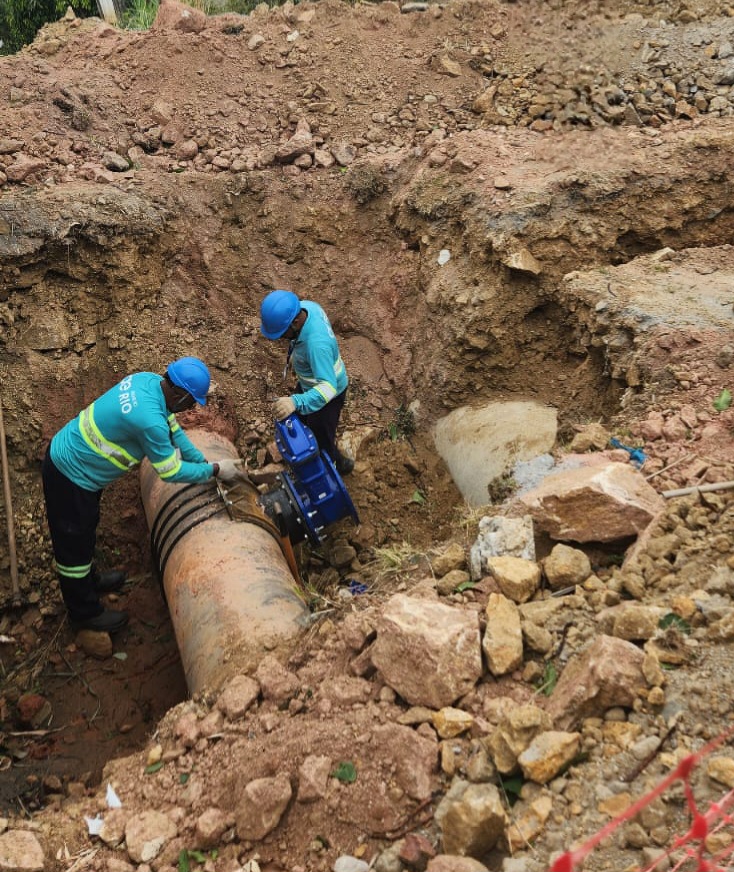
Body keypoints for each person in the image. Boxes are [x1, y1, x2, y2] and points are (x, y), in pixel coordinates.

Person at [42, 357, 245, 634]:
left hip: (81, 467)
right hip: (71, 475)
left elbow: (173, 427)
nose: (191, 408)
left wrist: (199, 460)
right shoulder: (149, 422)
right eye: (191, 401)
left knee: (85, 530)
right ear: (179, 393)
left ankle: (90, 582)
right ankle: (84, 612)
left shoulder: (148, 381)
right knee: (73, 545)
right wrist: (216, 470)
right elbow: (170, 471)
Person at [260, 290, 354, 476]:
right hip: (311, 383)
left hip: (328, 396)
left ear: (295, 323)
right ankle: (302, 455)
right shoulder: (307, 308)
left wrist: (295, 401)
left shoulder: (316, 346)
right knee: (301, 422)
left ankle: (334, 468)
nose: (280, 338)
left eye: (282, 333)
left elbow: (327, 388)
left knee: (322, 440)